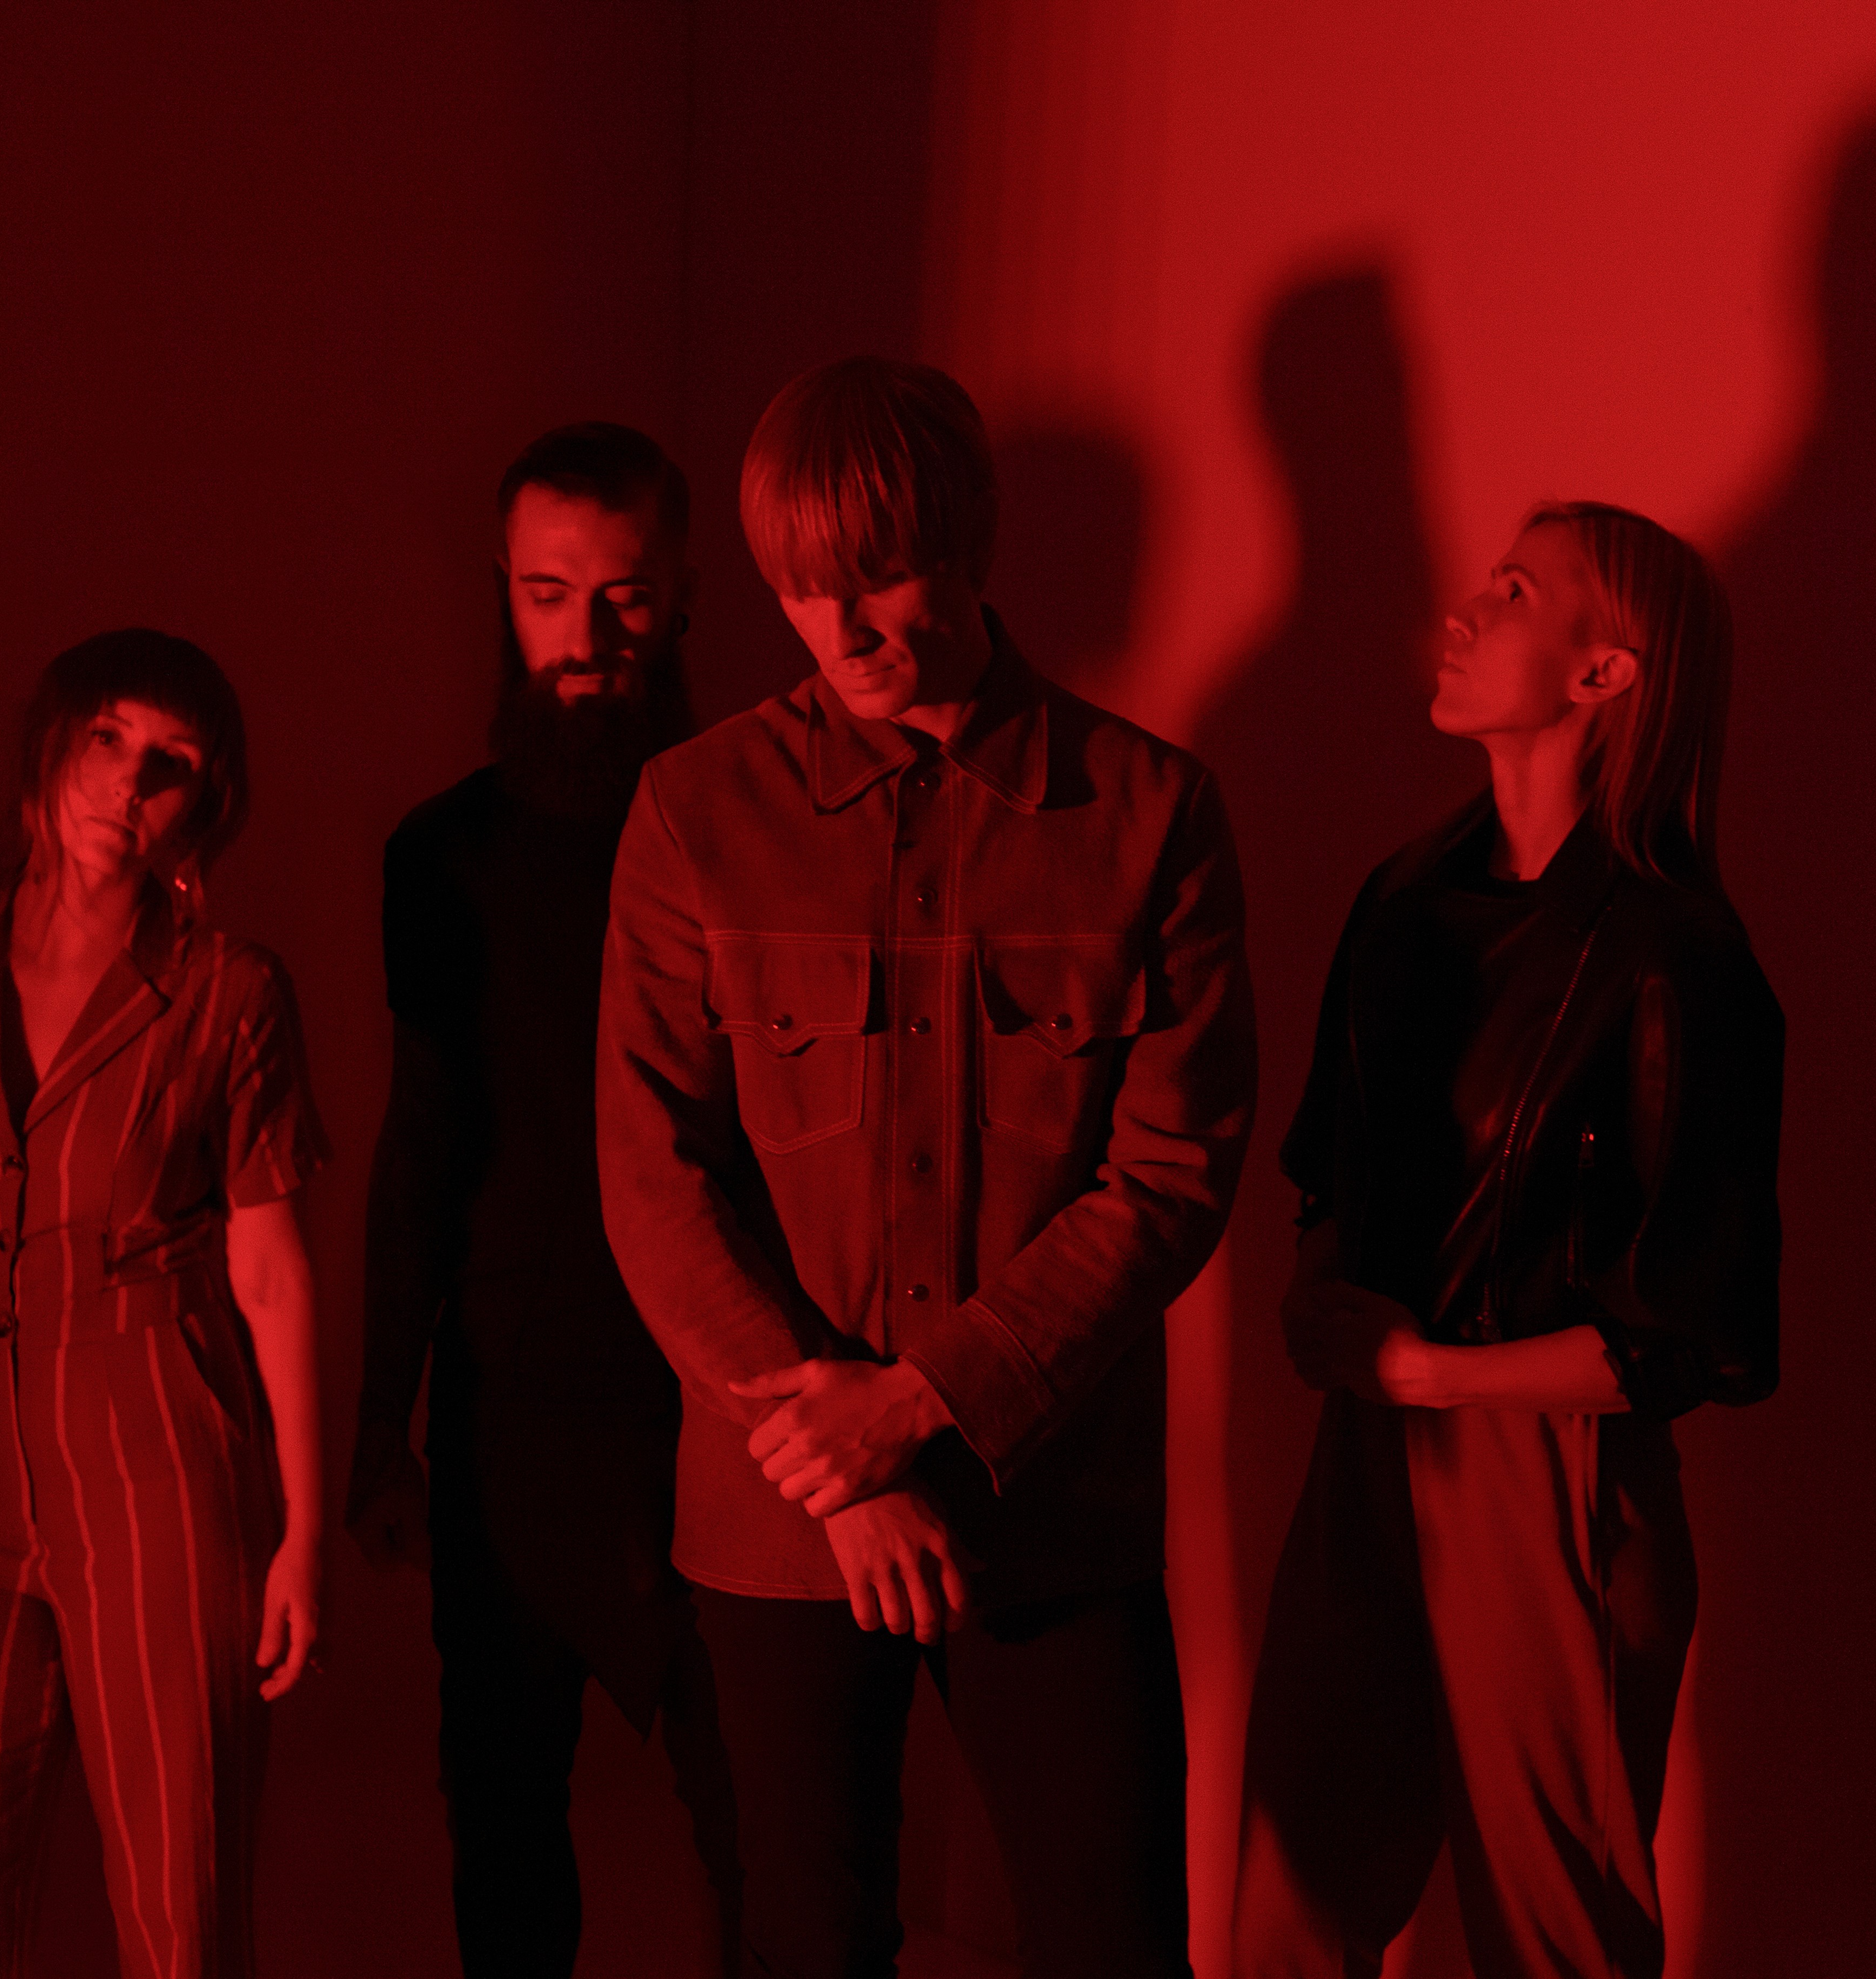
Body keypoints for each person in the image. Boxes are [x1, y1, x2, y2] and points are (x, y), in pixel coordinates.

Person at [594, 355, 1255, 1979]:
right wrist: (844, 1465)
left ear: (970, 542)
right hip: (782, 1518)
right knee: (807, 1942)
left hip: (1055, 1508)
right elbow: (654, 1172)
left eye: (877, 574)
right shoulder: (693, 811)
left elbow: (1171, 1173)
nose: (841, 629)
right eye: (799, 587)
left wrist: (922, 1403)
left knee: (1114, 1943)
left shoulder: (1149, 812)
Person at [1234, 502, 1786, 1978]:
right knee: (1291, 1902)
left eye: (1518, 589)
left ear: (1606, 672)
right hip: (1370, 1445)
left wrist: (1433, 1376)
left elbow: (1698, 1330)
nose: (1467, 611)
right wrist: (1324, 1290)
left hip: (1551, 1475)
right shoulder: (1405, 899)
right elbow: (1329, 1164)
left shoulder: (1675, 955)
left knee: (1556, 1938)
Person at [0, 630, 330, 1979]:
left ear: (205, 804)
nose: (128, 783)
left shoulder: (227, 994)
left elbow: (271, 1269)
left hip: (161, 1478)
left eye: (170, 763)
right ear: (51, 744)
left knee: (180, 1915)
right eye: (107, 740)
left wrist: (304, 1533)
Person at [345, 423, 742, 1976]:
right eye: (547, 594)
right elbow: (424, 1144)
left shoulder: (752, 829)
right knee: (504, 1829)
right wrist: (381, 1427)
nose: (586, 637)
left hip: (723, 1392)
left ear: (685, 594)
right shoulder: (444, 856)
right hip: (508, 1398)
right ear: (503, 595)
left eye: (624, 596)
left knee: (770, 1831)